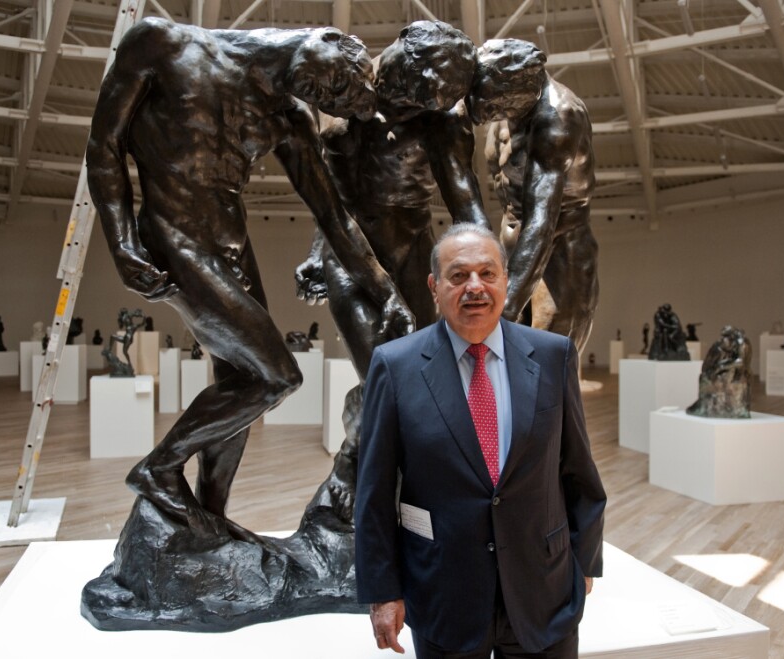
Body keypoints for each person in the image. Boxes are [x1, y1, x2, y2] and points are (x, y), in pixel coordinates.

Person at [87, 17, 414, 536]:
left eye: (334, 96)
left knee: (238, 383)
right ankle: (159, 468)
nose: (324, 94)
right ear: (325, 37)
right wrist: (121, 240)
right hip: (175, 235)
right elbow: (105, 144)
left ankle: (209, 516)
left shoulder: (289, 120)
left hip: (231, 245)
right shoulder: (162, 43)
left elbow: (335, 218)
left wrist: (387, 291)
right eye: (334, 81)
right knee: (275, 375)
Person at [355, 224, 606, 657]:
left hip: (543, 592)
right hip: (444, 596)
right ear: (435, 286)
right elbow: (374, 492)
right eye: (458, 276)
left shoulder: (553, 355)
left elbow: (579, 472)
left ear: (506, 281)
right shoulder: (395, 367)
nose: (475, 287)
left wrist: (583, 565)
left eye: (487, 274)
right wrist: (383, 591)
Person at [294, 21, 488, 520]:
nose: (419, 99)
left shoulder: (440, 123)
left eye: (431, 95)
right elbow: (331, 201)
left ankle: (372, 472)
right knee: (381, 373)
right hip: (351, 258)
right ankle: (350, 465)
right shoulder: (346, 102)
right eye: (415, 87)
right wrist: (317, 253)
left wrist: (488, 271)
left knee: (415, 381)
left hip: (411, 257)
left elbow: (465, 200)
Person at [467, 39, 598, 355]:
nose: (485, 111)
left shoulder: (559, 118)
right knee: (503, 368)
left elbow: (542, 224)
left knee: (546, 367)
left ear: (517, 86)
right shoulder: (500, 103)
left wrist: (504, 306)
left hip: (559, 250)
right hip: (510, 246)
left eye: (491, 103)